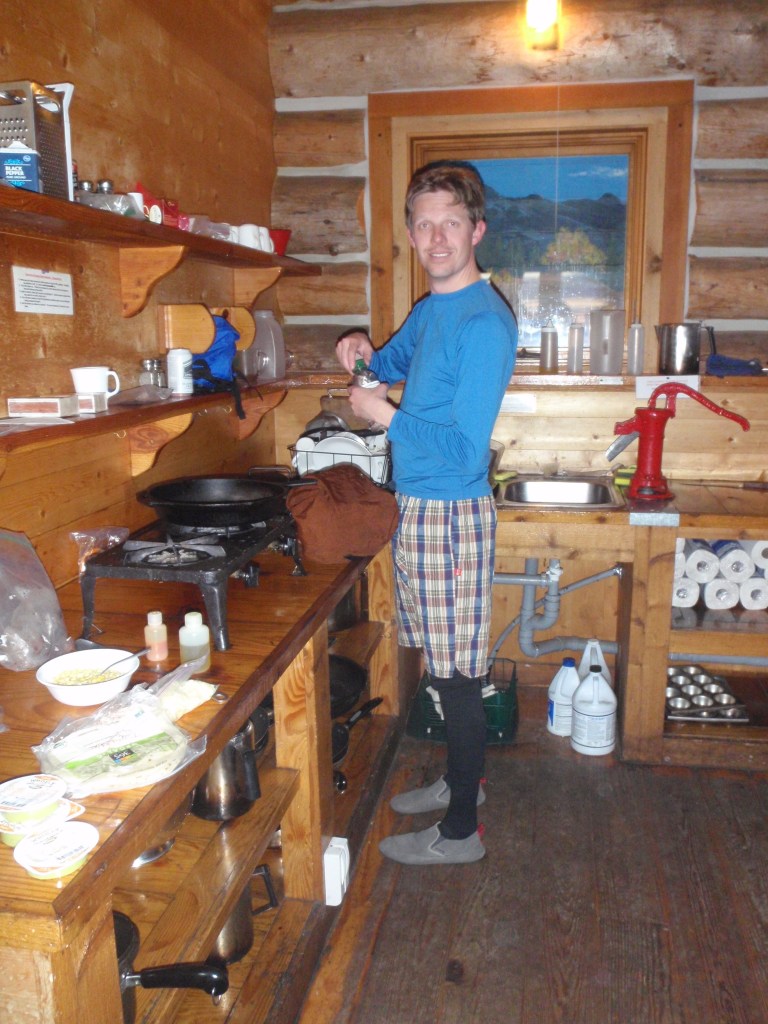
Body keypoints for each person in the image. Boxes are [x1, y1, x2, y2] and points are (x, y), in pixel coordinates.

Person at [336, 161, 518, 866]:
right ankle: (460, 781)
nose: (437, 238)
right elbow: (384, 363)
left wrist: (383, 413)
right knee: (444, 668)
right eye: (424, 224)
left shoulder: (485, 322)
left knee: (458, 678)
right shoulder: (431, 309)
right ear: (411, 234)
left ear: (477, 230)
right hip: (417, 507)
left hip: (452, 518)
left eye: (451, 223)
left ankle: (462, 831)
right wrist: (359, 349)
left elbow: (467, 449)